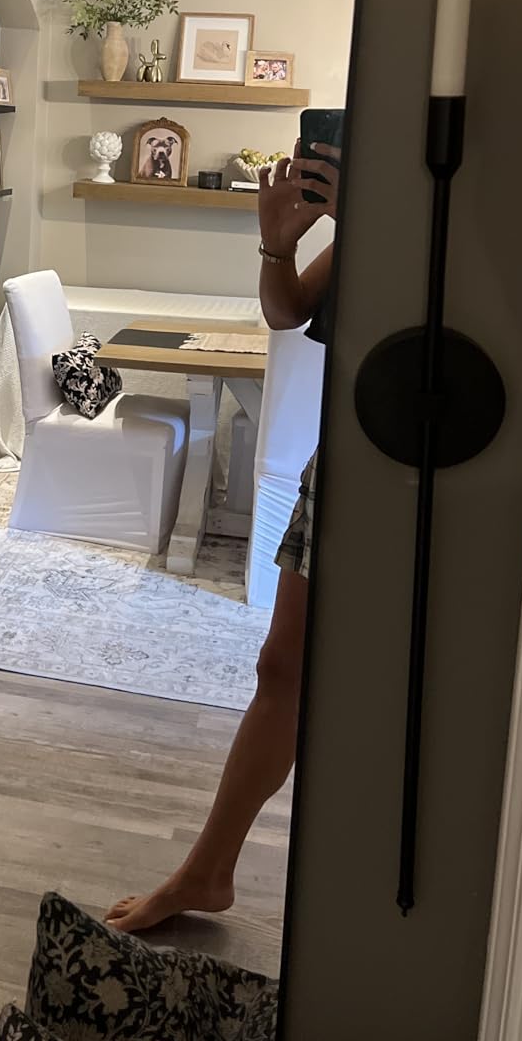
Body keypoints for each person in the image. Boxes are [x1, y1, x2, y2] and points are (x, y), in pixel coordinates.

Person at [106, 140, 340, 932]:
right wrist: (280, 238)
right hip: (341, 454)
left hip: (412, 464)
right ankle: (207, 871)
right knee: (281, 665)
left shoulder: (430, 221)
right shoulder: (367, 231)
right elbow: (286, 313)